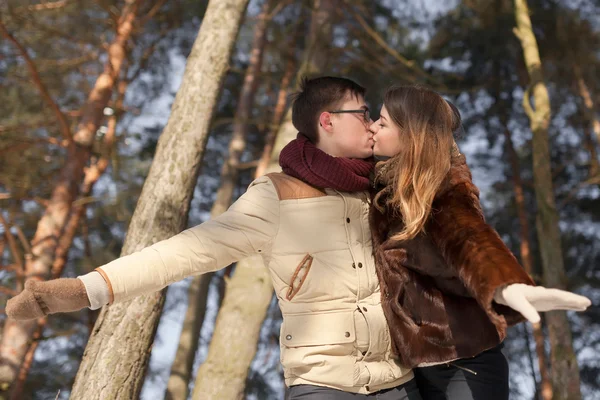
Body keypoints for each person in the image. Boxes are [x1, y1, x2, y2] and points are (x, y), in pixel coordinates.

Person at [7, 77, 424, 399]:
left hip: (400, 382)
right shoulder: (276, 195)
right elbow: (186, 252)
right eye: (363, 113)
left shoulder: (384, 192)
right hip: (325, 386)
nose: (372, 125)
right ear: (327, 120)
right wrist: (84, 290)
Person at [367, 84, 591, 400]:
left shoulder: (443, 190)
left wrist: (506, 285)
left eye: (383, 121)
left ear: (411, 136)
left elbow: (468, 238)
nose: (373, 127)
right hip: (415, 368)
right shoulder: (381, 188)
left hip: (466, 364)